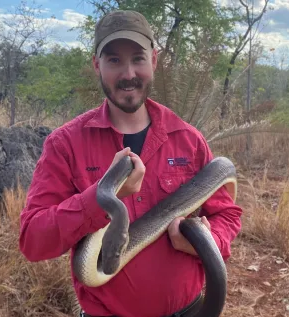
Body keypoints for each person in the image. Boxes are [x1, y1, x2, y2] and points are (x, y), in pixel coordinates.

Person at [19, 9, 243, 317]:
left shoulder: (187, 139)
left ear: (153, 60)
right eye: (114, 60)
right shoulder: (65, 145)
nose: (128, 74)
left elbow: (227, 215)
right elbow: (33, 240)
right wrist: (102, 196)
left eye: (137, 58)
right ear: (96, 65)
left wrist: (208, 240)